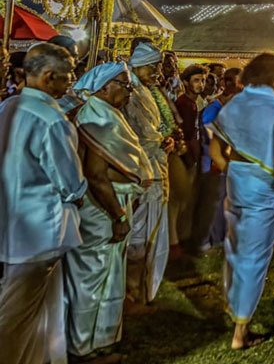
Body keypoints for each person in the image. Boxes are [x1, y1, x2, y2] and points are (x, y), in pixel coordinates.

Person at [211, 52, 274, 350]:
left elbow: (217, 146)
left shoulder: (237, 102)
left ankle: (234, 309)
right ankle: (240, 333)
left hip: (237, 178)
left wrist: (231, 168)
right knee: (255, 257)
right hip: (264, 183)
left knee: (235, 247)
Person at [0, 42, 85, 364]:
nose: (71, 84)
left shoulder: (8, 106)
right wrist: (78, 194)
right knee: (16, 314)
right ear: (49, 77)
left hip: (12, 222)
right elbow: (70, 182)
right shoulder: (51, 119)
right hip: (38, 231)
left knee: (41, 308)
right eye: (67, 78)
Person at [64, 61, 153, 364]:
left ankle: (101, 341)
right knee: (90, 278)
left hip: (111, 206)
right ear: (103, 87)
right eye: (124, 85)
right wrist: (119, 217)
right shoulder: (95, 116)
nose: (129, 91)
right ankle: (82, 347)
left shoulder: (109, 113)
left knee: (108, 276)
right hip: (100, 209)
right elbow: (96, 174)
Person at [123, 40, 173, 309]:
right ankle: (132, 293)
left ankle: (141, 289)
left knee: (148, 233)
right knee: (138, 237)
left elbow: (157, 131)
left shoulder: (147, 90)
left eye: (158, 66)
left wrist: (166, 140)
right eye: (152, 66)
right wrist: (159, 140)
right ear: (139, 66)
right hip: (139, 171)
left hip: (153, 165)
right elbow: (139, 135)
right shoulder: (129, 91)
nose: (157, 71)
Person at [193, 67, 243, 252]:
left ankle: (219, 238)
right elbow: (212, 137)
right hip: (212, 163)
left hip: (224, 161)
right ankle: (206, 240)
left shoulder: (229, 107)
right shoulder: (213, 109)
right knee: (213, 203)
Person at [172, 62, 206, 254]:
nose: (201, 84)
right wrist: (192, 156)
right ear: (185, 82)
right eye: (196, 80)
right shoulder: (184, 103)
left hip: (192, 154)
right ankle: (176, 239)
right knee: (181, 199)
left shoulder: (194, 103)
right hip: (186, 156)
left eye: (202, 80)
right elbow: (187, 133)